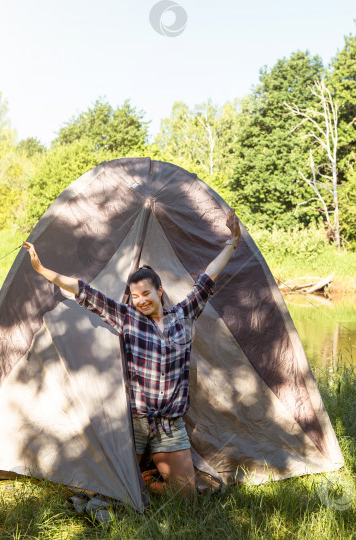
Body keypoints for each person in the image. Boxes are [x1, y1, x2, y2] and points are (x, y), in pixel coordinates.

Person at [22, 208, 241, 499]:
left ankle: (146, 479)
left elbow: (208, 278)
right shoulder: (127, 317)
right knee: (113, 490)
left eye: (146, 295)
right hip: (134, 423)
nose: (140, 301)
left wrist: (233, 242)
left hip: (169, 424)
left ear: (159, 291)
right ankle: (137, 479)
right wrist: (42, 271)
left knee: (186, 496)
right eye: (135, 296)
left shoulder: (183, 315)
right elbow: (85, 291)